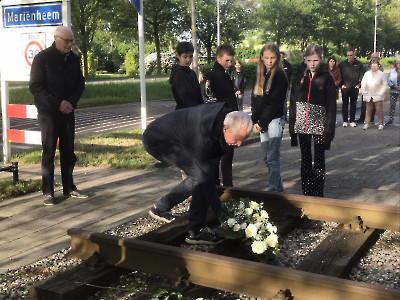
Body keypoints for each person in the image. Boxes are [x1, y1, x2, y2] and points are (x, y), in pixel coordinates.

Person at [143, 103, 253, 244]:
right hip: (158, 140)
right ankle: (194, 232)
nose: (239, 145)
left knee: (204, 176)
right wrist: (224, 216)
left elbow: (212, 165)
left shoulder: (228, 119)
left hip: (180, 137)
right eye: (237, 139)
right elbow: (205, 180)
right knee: (199, 178)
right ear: (225, 129)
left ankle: (162, 208)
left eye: (242, 140)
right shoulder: (202, 136)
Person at [29, 26, 87, 206]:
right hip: (49, 113)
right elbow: (36, 87)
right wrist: (57, 104)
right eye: (66, 41)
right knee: (49, 152)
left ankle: (69, 187)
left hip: (67, 112)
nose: (70, 44)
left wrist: (70, 103)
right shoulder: (42, 59)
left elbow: (80, 83)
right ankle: (47, 191)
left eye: (72, 41)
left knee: (68, 151)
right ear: (56, 38)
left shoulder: (74, 59)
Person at [289, 45, 336, 197]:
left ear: (321, 60)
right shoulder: (299, 78)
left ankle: (318, 191)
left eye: (316, 60)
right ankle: (307, 190)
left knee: (319, 158)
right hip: (302, 123)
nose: (313, 64)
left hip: (319, 123)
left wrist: (329, 130)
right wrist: (292, 127)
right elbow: (293, 102)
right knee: (306, 158)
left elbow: (331, 105)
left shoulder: (327, 78)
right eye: (309, 60)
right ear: (305, 60)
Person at [251, 42, 288, 192]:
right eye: (266, 57)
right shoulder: (260, 74)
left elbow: (275, 104)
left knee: (272, 156)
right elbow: (254, 100)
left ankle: (273, 189)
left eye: (272, 57)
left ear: (277, 58)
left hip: (274, 119)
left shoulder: (279, 76)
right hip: (262, 121)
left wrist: (261, 122)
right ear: (261, 58)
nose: (270, 61)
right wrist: (255, 120)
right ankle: (279, 187)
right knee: (267, 157)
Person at [207, 44, 238, 187]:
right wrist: (236, 118)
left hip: (215, 119)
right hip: (225, 120)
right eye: (227, 60)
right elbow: (228, 101)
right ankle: (227, 187)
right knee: (226, 155)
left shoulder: (213, 74)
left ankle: (216, 186)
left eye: (231, 61)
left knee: (216, 155)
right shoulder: (220, 76)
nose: (230, 64)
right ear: (218, 58)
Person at [169, 42, 204, 110]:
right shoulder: (179, 74)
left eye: (190, 56)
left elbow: (198, 95)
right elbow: (185, 98)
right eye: (185, 57)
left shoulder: (192, 73)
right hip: (185, 112)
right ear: (178, 56)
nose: (188, 60)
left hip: (195, 110)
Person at [339, 49, 364, 128]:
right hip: (345, 87)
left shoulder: (359, 64)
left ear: (353, 55)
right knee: (345, 105)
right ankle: (345, 121)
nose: (350, 57)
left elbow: (362, 75)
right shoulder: (342, 64)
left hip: (354, 87)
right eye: (348, 55)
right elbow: (338, 75)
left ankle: (352, 120)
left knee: (353, 105)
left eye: (351, 55)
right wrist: (341, 85)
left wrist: (359, 85)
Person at [357, 53, 383, 124]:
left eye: (376, 57)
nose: (375, 59)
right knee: (364, 105)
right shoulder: (365, 66)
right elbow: (362, 75)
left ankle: (371, 119)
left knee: (373, 105)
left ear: (378, 58)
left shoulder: (380, 67)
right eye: (373, 57)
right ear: (371, 58)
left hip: (376, 89)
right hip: (367, 88)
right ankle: (362, 118)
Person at [361, 63, 387, 131]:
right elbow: (363, 83)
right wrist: (364, 92)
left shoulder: (382, 74)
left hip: (378, 95)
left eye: (375, 66)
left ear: (378, 66)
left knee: (379, 110)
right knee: (368, 110)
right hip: (368, 95)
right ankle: (367, 123)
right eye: (372, 66)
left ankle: (381, 124)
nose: (374, 67)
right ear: (370, 67)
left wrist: (380, 93)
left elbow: (384, 85)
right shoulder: (367, 74)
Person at [386, 58, 400, 126]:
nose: (399, 64)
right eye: (398, 63)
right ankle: (390, 120)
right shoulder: (392, 71)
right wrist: (394, 86)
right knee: (392, 106)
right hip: (394, 90)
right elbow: (388, 80)